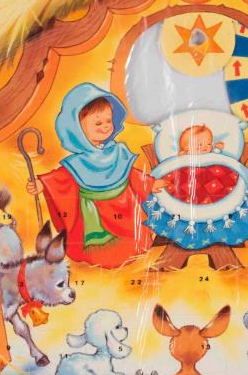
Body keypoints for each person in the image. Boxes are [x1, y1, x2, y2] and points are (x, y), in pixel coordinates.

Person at [26, 84, 153, 267]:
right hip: (94, 212)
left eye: (108, 121)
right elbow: (62, 178)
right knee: (99, 250)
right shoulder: (76, 162)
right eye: (98, 123)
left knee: (132, 239)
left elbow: (130, 174)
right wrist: (42, 184)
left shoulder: (118, 151)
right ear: (76, 128)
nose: (105, 127)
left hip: (124, 209)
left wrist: (151, 183)